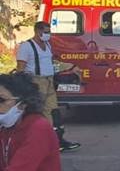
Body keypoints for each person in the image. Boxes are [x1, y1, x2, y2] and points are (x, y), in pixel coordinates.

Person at [15, 21, 81, 152]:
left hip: (49, 82)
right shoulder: (26, 47)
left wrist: (70, 66)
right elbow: (20, 68)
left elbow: (52, 63)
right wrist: (23, 86)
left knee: (53, 112)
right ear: (37, 31)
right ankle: (34, 143)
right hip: (36, 82)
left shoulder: (47, 45)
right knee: (36, 113)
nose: (48, 34)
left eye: (49, 32)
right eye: (45, 32)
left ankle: (57, 141)